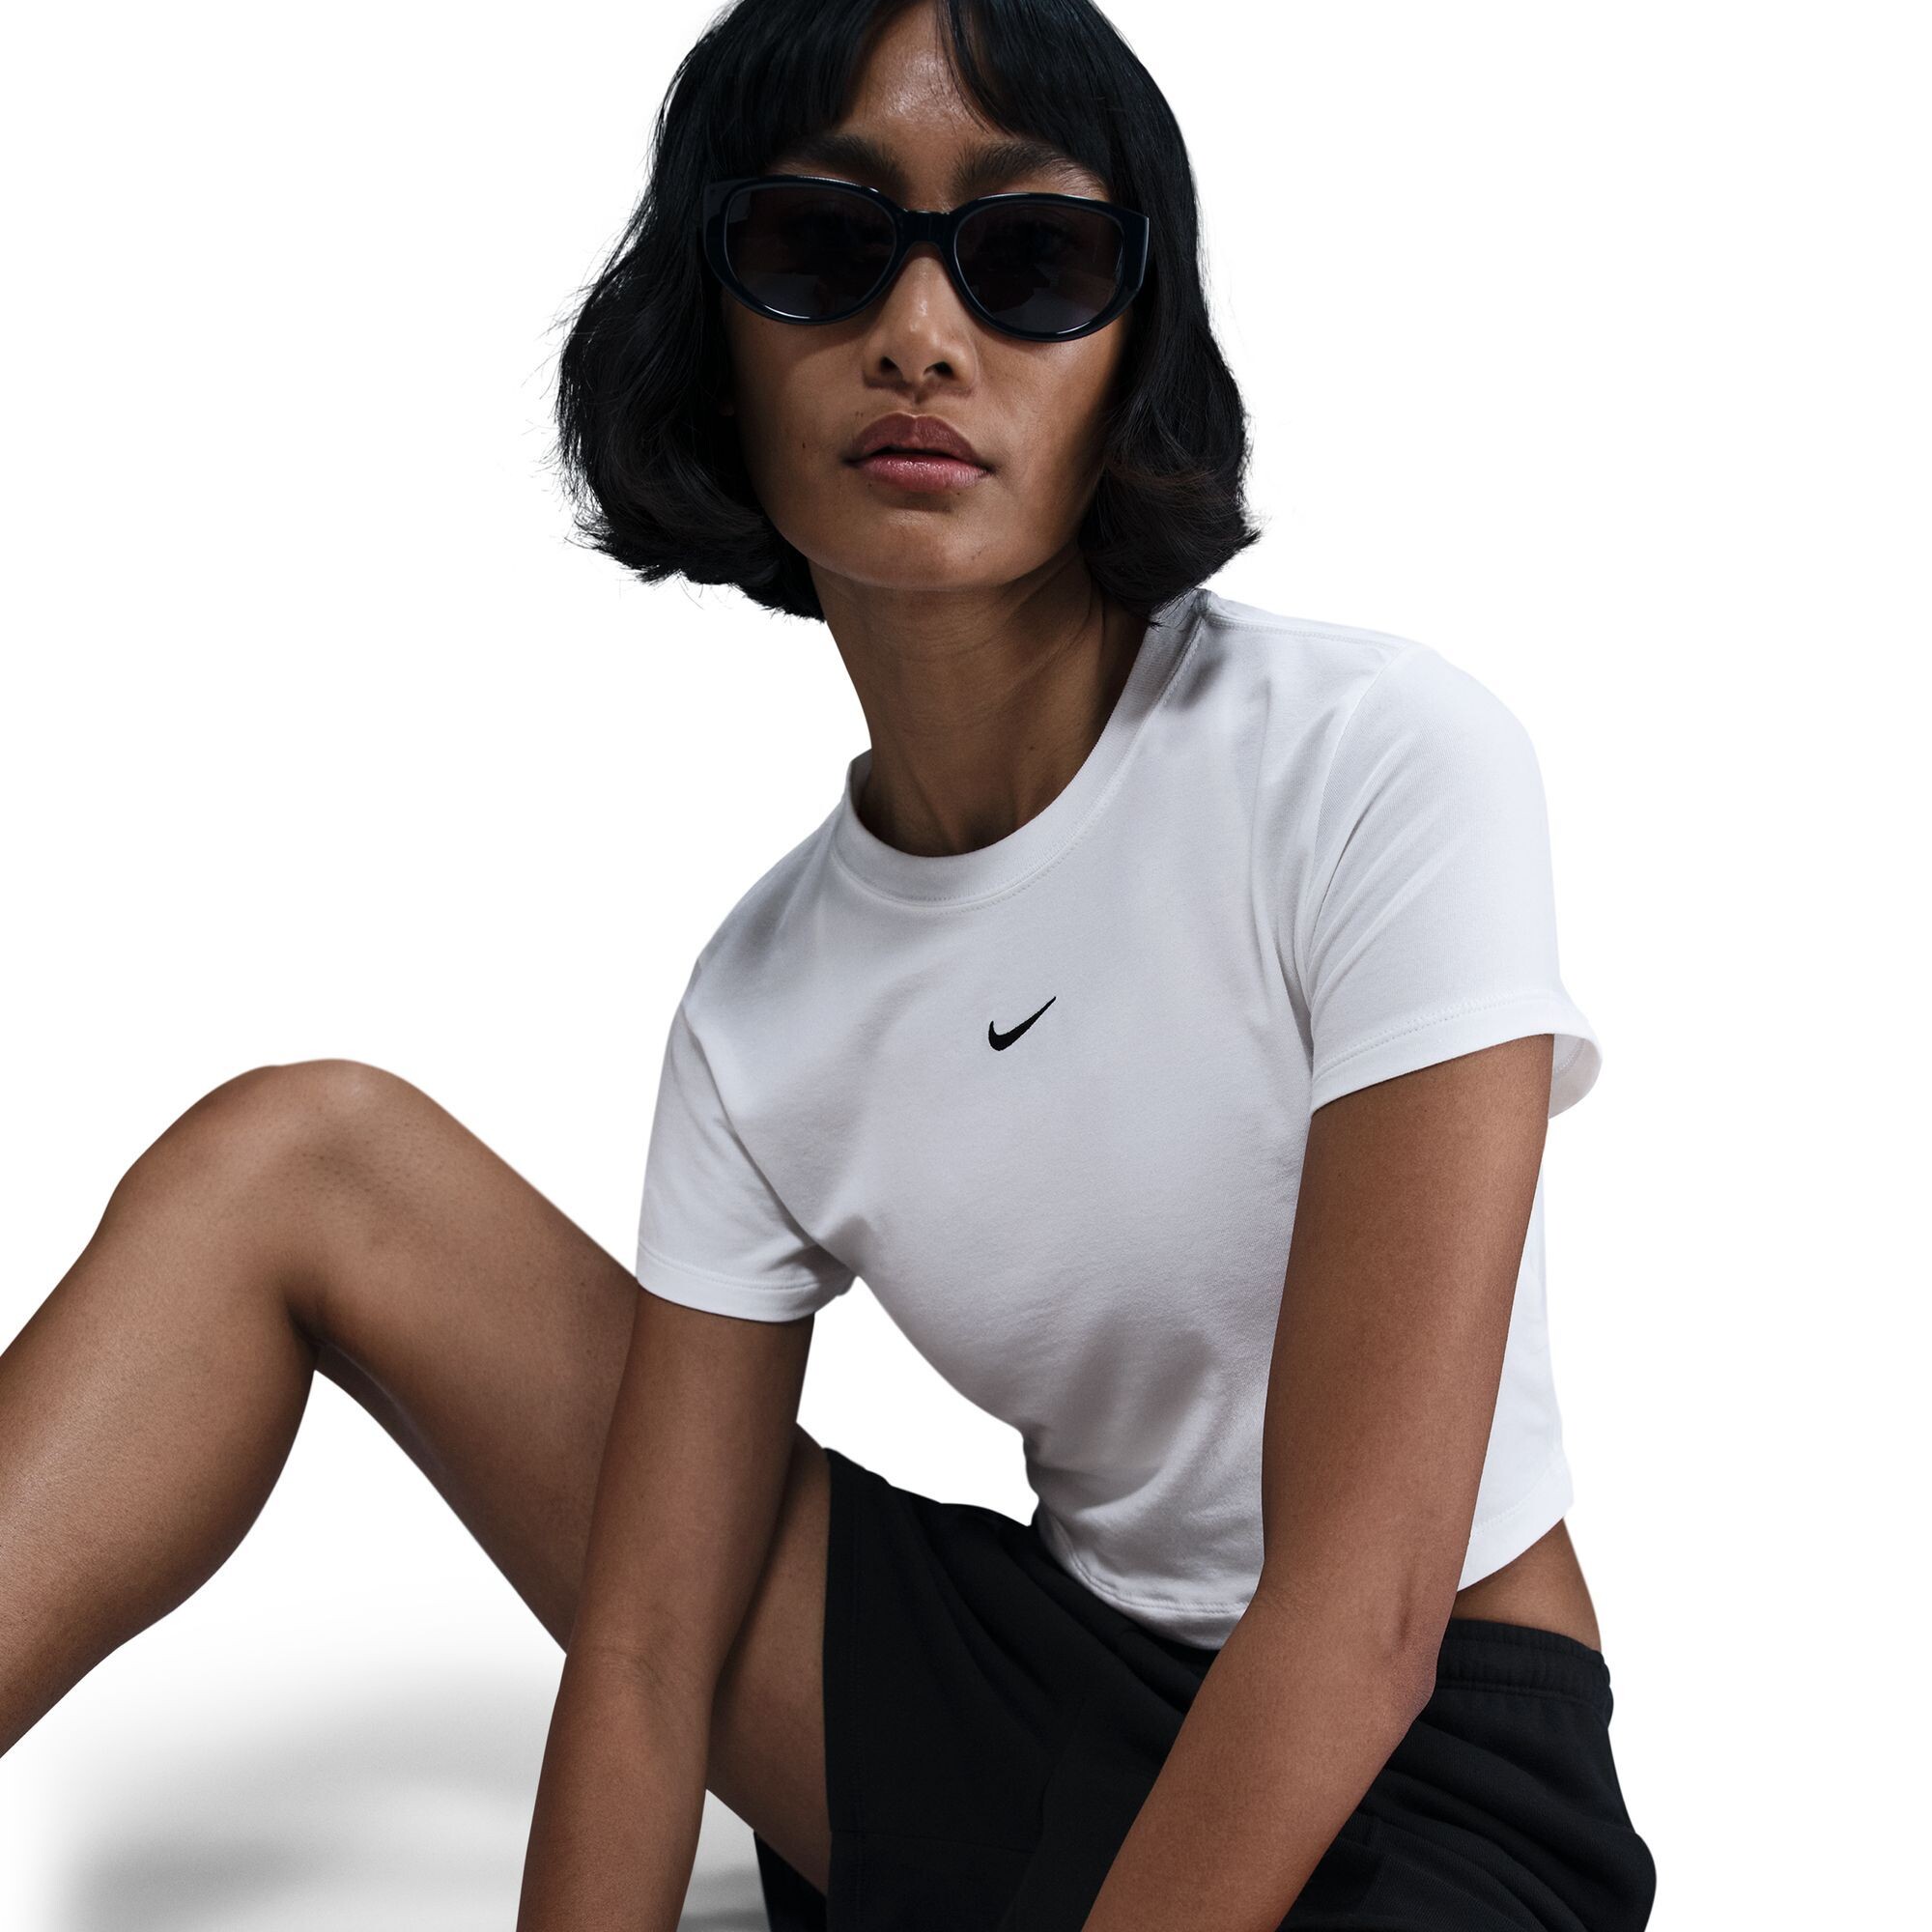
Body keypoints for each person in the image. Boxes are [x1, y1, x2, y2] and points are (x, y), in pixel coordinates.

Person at [0, 0, 1658, 1926]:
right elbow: (646, 1666)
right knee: (302, 1159)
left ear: (1134, 352)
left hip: (1424, 1767)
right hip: (1037, 1704)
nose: (922, 334)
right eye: (819, 244)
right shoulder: (762, 1004)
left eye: (1032, 258)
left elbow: (1358, 1617)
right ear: (709, 342)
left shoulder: (1374, 762)